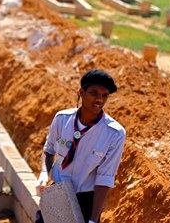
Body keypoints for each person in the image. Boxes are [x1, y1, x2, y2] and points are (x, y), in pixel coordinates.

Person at [35, 69, 126, 223]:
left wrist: (92, 220)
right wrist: (44, 173)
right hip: (57, 193)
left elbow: (104, 179)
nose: (99, 99)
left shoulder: (114, 133)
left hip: (86, 202)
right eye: (94, 93)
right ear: (81, 92)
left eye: (104, 95)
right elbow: (49, 151)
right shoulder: (62, 119)